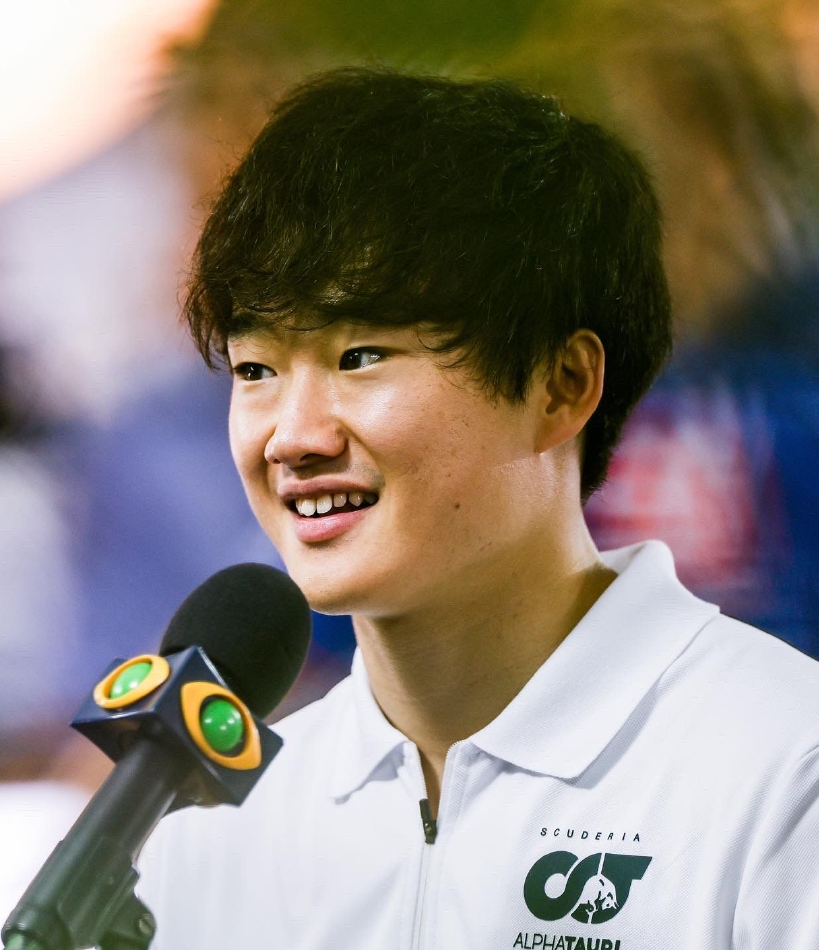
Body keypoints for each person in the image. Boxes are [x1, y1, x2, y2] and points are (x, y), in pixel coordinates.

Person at [137, 68, 819, 948]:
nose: (293, 437)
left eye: (360, 356)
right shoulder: (210, 832)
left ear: (562, 384)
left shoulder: (783, 770)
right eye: (255, 369)